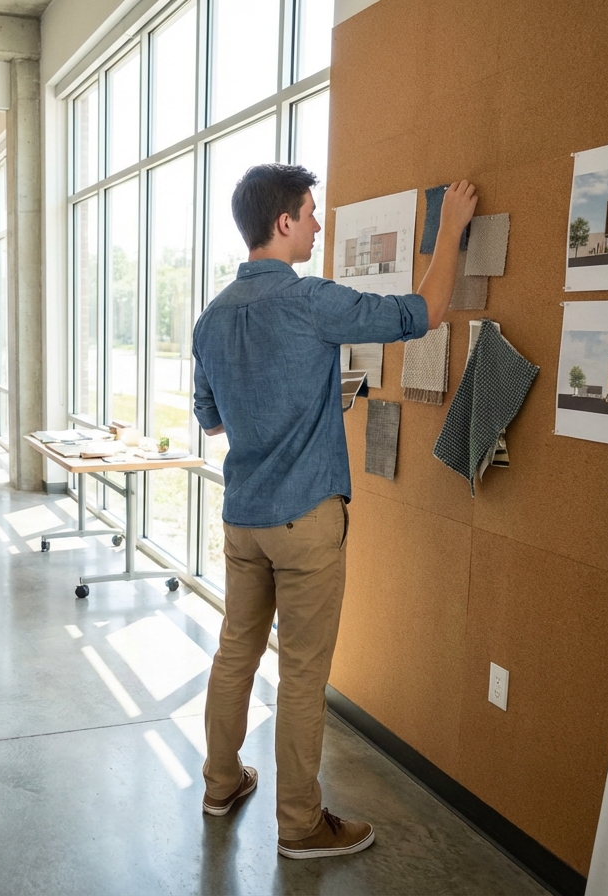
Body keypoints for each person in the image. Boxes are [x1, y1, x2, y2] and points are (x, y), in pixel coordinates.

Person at [192, 164, 476, 860]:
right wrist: (451, 230)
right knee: (302, 673)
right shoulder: (309, 301)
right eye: (311, 214)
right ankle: (299, 825)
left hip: (243, 518)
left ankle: (221, 784)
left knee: (235, 653)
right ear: (283, 223)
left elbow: (210, 422)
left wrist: (270, 397)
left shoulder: (211, 317)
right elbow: (422, 315)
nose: (318, 225)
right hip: (305, 522)